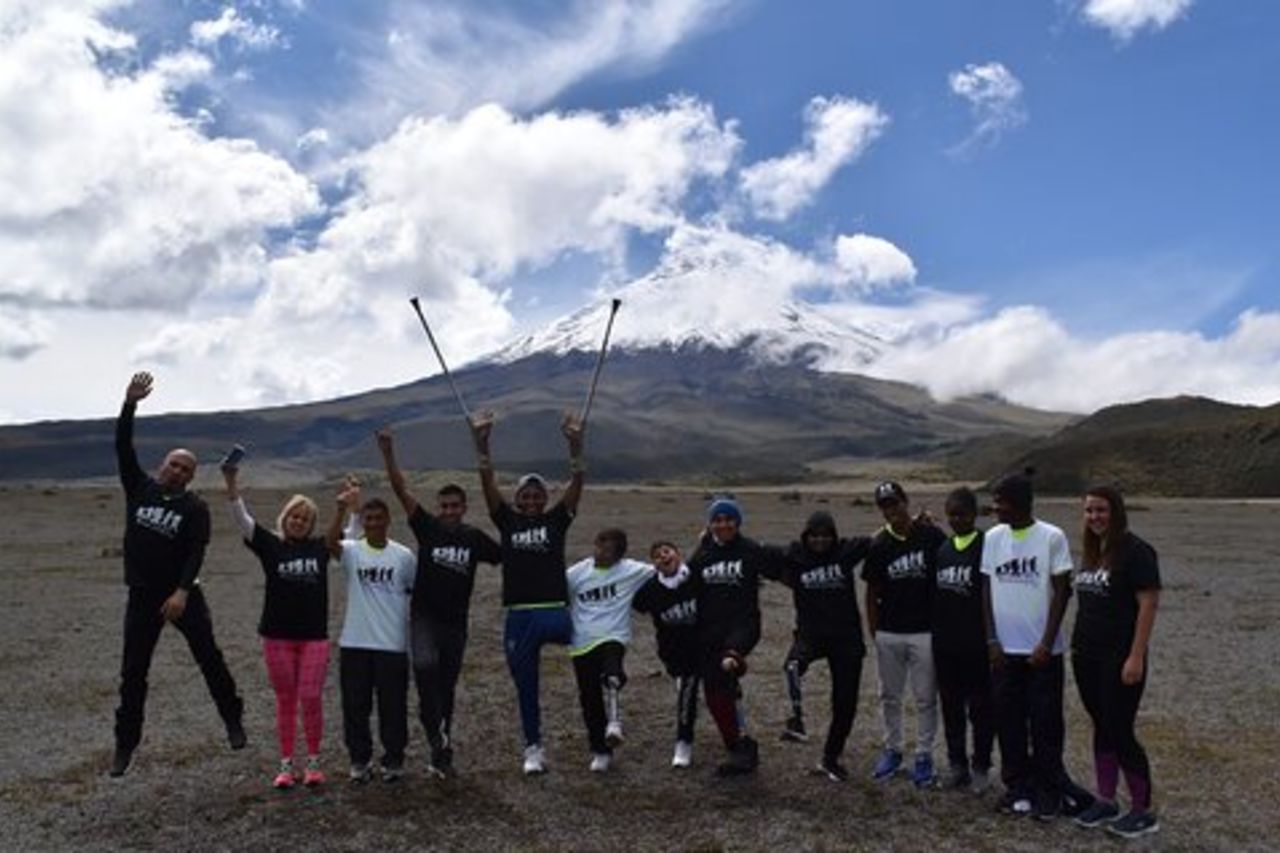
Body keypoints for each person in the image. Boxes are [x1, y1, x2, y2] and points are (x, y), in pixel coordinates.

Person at [109, 372, 244, 778]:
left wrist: (183, 593)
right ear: (161, 465)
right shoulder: (139, 488)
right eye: (174, 464)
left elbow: (195, 552)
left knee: (210, 658)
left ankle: (232, 719)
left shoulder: (194, 508)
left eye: (187, 469)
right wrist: (130, 404)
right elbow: (121, 445)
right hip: (143, 596)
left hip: (183, 596)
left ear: (191, 476)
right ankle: (125, 746)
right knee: (133, 672)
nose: (179, 471)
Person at [376, 427, 502, 778]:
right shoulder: (427, 527)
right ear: (438, 508)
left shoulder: (474, 537)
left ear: (463, 508)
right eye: (443, 506)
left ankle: (439, 744)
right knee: (426, 667)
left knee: (445, 688)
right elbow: (401, 489)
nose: (448, 510)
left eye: (454, 506)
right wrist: (388, 454)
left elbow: (509, 555)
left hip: (456, 623)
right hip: (425, 618)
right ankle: (434, 726)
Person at [469, 409, 585, 775]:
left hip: (553, 610)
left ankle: (606, 723)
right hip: (519, 614)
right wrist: (482, 443)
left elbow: (578, 479)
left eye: (537, 494)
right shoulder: (507, 520)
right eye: (526, 495)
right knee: (525, 685)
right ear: (518, 499)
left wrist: (575, 444)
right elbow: (487, 482)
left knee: (596, 655)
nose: (532, 500)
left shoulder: (557, 520)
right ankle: (533, 748)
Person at [222, 462, 344, 789]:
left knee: (311, 696)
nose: (299, 521)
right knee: (286, 700)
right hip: (276, 636)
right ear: (285, 518)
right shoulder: (271, 545)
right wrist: (231, 480)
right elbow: (241, 519)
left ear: (311, 524)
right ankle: (287, 766)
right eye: (294, 516)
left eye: (305, 518)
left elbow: (352, 535)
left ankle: (314, 763)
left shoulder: (321, 548)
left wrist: (348, 507)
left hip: (313, 638)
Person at [1070, 486, 1162, 839]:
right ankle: (1106, 799)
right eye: (1089, 511)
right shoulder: (1094, 552)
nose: (1095, 517)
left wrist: (1136, 655)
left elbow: (1148, 604)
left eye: (1101, 510)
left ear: (1117, 512)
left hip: (1120, 658)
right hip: (1087, 655)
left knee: (1121, 729)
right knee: (1101, 725)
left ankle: (1142, 811)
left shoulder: (1136, 551)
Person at [981, 472, 1073, 820]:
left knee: (1046, 723)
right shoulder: (993, 538)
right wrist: (991, 638)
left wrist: (1047, 642)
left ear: (1020, 503)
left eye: (1001, 501)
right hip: (1005, 652)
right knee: (1009, 721)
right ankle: (1018, 787)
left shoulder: (1051, 537)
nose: (996, 508)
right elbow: (986, 590)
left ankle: (1050, 790)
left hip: (1041, 654)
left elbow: (1063, 590)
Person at [767, 511, 870, 782]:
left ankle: (831, 757)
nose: (820, 541)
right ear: (806, 536)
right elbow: (758, 553)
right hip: (810, 636)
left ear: (834, 537)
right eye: (814, 536)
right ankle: (796, 721)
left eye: (826, 535)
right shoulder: (796, 555)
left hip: (846, 639)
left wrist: (914, 524)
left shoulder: (846, 552)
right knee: (792, 667)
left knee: (845, 703)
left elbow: (880, 538)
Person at [325, 486, 416, 783]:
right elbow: (330, 543)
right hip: (355, 643)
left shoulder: (403, 556)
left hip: (392, 645)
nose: (374, 522)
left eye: (379, 517)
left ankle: (393, 760)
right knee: (355, 706)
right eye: (368, 518)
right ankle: (359, 760)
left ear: (388, 520)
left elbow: (414, 591)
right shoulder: (352, 551)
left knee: (393, 707)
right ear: (362, 521)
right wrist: (341, 509)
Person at [686, 496, 782, 776]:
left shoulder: (751, 550)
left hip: (742, 627)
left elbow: (783, 567)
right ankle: (738, 746)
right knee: (715, 693)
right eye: (717, 519)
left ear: (738, 522)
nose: (723, 524)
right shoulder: (703, 554)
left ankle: (735, 666)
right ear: (710, 524)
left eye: (728, 519)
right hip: (709, 631)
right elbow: (687, 583)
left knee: (727, 665)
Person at [862, 481, 946, 787]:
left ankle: (924, 754)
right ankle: (893, 749)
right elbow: (872, 590)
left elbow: (948, 570)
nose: (891, 510)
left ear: (906, 502)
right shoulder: (879, 544)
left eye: (895, 503)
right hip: (890, 632)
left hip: (924, 631)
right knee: (890, 696)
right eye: (885, 505)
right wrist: (874, 629)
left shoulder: (932, 536)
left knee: (925, 697)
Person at [564, 528, 659, 772]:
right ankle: (600, 750)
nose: (600, 553)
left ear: (619, 555)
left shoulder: (631, 571)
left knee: (613, 673)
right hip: (581, 642)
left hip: (613, 637)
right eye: (598, 546)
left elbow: (665, 569)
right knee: (589, 698)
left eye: (608, 551)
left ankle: (615, 723)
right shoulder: (577, 573)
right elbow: (556, 592)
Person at [931, 487, 995, 793]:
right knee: (951, 707)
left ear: (974, 514)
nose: (956, 520)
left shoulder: (986, 546)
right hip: (946, 645)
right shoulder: (943, 549)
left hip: (977, 645)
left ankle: (981, 765)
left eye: (962, 514)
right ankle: (957, 765)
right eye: (951, 514)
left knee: (981, 709)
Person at [632, 541, 699, 768]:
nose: (663, 556)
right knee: (687, 691)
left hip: (704, 645)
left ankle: (687, 741)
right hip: (674, 651)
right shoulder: (650, 590)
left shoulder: (696, 577)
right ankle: (684, 740)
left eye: (667, 551)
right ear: (654, 565)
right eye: (657, 556)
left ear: (678, 554)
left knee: (725, 688)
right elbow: (635, 604)